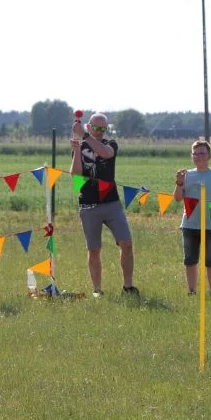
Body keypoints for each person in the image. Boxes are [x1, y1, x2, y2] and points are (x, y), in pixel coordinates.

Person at [69, 112, 138, 298]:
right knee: (94, 249)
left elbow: (106, 154)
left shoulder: (110, 144)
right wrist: (76, 150)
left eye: (103, 128)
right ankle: (97, 290)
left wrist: (84, 135)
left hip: (111, 203)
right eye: (96, 128)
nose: (100, 131)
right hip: (88, 205)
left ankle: (128, 287)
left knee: (126, 243)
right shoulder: (81, 145)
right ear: (89, 126)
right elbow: (76, 174)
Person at [174, 140, 211, 294]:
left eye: (202, 153)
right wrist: (179, 183)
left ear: (209, 156)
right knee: (190, 260)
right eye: (195, 153)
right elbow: (178, 198)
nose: (199, 156)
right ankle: (192, 291)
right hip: (189, 225)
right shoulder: (186, 175)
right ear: (191, 156)